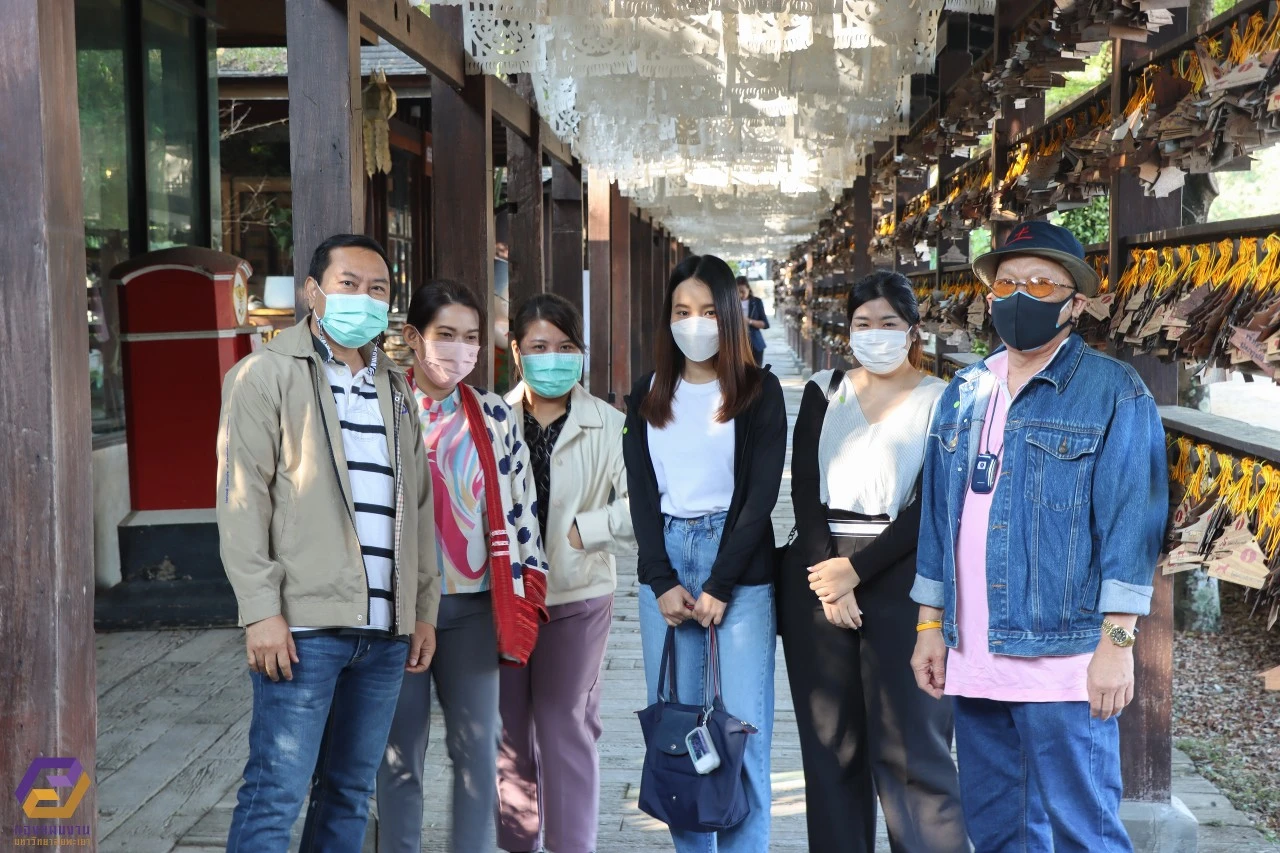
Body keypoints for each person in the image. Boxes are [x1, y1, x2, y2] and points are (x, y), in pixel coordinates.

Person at [910, 221, 1169, 851]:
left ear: (1074, 303)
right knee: (997, 830)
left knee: (1087, 832)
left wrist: (1117, 645)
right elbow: (940, 520)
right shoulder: (965, 391)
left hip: (1065, 658)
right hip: (974, 654)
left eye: (1041, 283)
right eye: (1007, 281)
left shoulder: (1113, 392)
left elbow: (1132, 526)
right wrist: (928, 626)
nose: (1020, 294)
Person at [217, 234, 439, 852]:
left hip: (384, 633)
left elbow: (416, 511)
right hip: (304, 629)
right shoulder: (264, 375)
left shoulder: (395, 389)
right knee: (275, 793)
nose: (364, 298)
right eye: (349, 283)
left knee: (348, 793)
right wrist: (261, 611)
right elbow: (242, 502)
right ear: (313, 292)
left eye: (378, 289)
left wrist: (422, 610)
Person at [779, 271, 968, 852]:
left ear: (913, 331)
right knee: (832, 749)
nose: (875, 334)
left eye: (889, 324)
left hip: (905, 573)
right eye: (864, 323)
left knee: (912, 747)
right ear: (849, 330)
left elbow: (936, 501)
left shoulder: (945, 397)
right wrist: (828, 578)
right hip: (817, 575)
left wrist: (856, 573)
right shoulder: (823, 388)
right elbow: (804, 486)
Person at [376, 279, 548, 853]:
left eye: (470, 337)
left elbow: (520, 506)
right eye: (444, 335)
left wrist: (527, 591)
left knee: (478, 751)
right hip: (397, 611)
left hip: (474, 606)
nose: (458, 349)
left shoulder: (496, 415)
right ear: (412, 337)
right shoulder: (381, 408)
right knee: (399, 755)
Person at [624, 253, 787, 853]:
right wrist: (659, 579)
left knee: (741, 737)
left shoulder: (760, 392)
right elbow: (641, 493)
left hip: (737, 568)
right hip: (667, 563)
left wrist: (721, 584)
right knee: (681, 735)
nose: (694, 323)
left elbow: (759, 500)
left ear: (730, 315)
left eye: (707, 311)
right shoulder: (646, 394)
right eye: (681, 311)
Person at [496, 293, 636, 853]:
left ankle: (571, 846)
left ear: (582, 354)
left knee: (563, 724)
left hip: (577, 596)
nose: (552, 358)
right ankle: (515, 843)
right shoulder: (490, 419)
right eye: (539, 347)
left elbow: (641, 506)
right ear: (516, 352)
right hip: (503, 599)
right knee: (509, 734)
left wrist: (590, 528)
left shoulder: (612, 424)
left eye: (565, 347)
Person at [738, 275, 770, 367]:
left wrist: (749, 321)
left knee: (756, 373)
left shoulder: (756, 302)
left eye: (743, 291)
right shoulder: (731, 303)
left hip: (755, 343)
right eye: (737, 292)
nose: (740, 294)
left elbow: (765, 324)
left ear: (748, 289)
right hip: (737, 344)